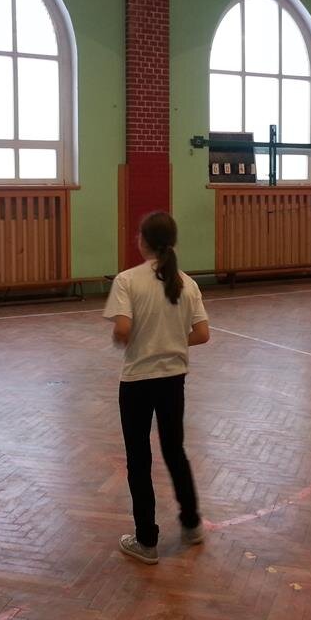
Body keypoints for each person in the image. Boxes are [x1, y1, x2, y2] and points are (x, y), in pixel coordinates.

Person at [103, 212, 210, 565]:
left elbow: (122, 330)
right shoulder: (187, 283)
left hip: (137, 381)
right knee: (175, 451)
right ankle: (192, 524)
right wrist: (170, 340)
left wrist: (131, 337)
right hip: (173, 379)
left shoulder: (127, 280)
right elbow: (202, 334)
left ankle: (146, 541)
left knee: (139, 458)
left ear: (143, 240)